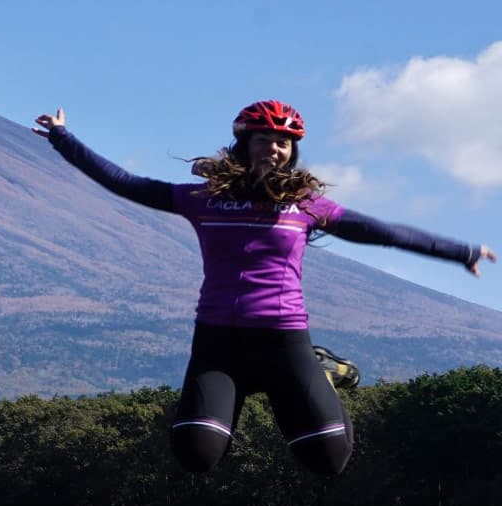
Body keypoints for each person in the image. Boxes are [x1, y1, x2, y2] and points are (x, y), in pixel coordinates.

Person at [33, 99, 494, 477]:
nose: (274, 148)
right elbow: (126, 183)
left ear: (292, 151)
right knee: (196, 455)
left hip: (282, 340)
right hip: (218, 343)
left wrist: (459, 250)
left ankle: (322, 370)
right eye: (264, 139)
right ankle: (283, 381)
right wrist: (62, 138)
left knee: (329, 460)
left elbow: (382, 232)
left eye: (283, 143)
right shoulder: (202, 199)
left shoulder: (307, 206)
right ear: (244, 143)